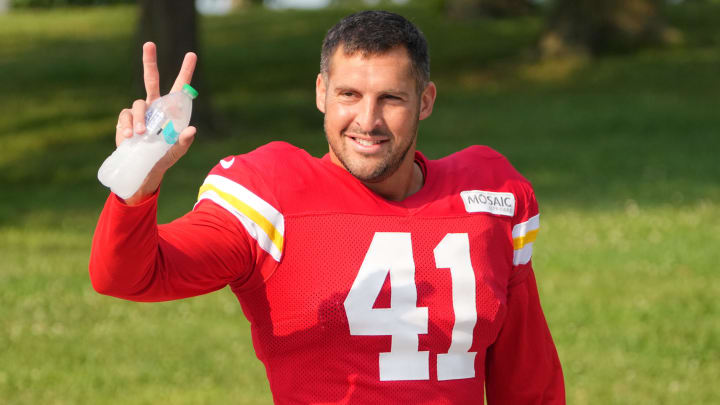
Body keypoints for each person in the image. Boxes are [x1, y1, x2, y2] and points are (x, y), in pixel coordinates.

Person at [90, 10, 565, 404]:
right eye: (349, 95)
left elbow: (529, 385)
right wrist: (135, 188)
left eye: (391, 99)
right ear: (321, 93)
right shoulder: (269, 194)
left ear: (425, 101)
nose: (368, 120)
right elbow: (128, 276)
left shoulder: (490, 195)